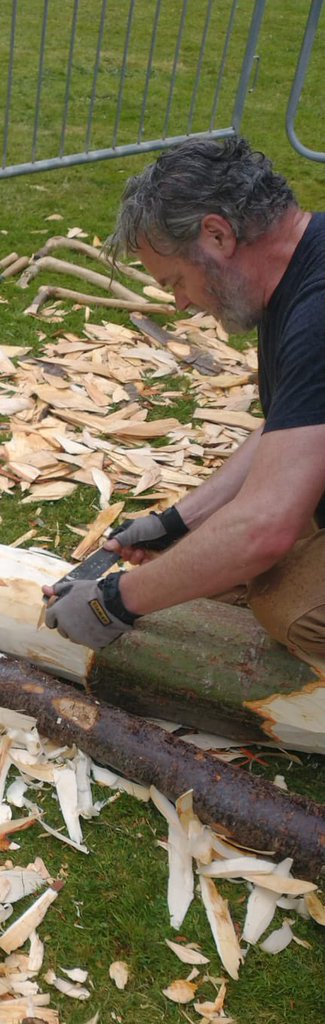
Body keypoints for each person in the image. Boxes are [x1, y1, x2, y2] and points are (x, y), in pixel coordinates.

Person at [42, 135, 325, 661]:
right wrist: (179, 523)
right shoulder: (303, 264)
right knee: (216, 556)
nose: (179, 304)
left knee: (290, 607)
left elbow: (265, 529)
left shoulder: (318, 312)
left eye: (176, 281)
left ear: (217, 235)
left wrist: (116, 602)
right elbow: (291, 423)